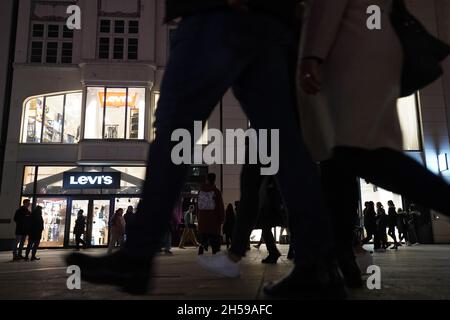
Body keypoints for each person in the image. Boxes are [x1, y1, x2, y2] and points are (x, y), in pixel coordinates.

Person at [67, 0, 343, 298]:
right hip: (273, 22)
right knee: (284, 144)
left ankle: (136, 255)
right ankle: (318, 265)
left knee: (175, 130)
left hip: (216, 13)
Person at [298, 0, 450, 288]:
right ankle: (337, 261)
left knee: (363, 155)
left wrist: (312, 53)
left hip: (351, 45)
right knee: (339, 160)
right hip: (363, 42)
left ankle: (335, 260)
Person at [197, 173, 225, 255]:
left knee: (203, 240)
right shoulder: (216, 192)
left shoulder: (201, 191)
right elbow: (220, 206)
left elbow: (198, 206)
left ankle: (201, 250)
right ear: (214, 179)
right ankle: (215, 256)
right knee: (215, 242)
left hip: (203, 220)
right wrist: (222, 218)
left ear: (207, 180)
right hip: (214, 221)